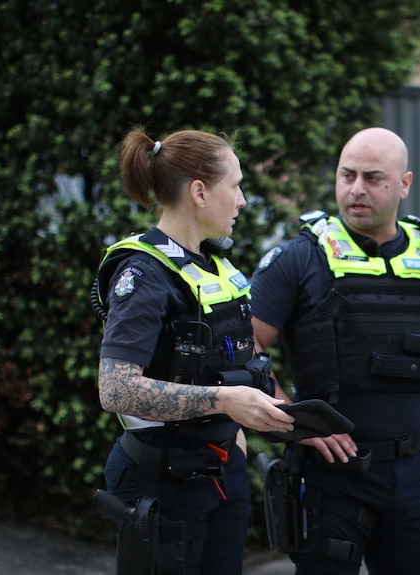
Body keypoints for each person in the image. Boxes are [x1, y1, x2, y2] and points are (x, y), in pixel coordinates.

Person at [250, 127, 420, 575]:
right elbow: (242, 346)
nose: (356, 189)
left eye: (373, 178)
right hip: (331, 476)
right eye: (347, 175)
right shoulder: (300, 258)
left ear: (404, 184)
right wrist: (293, 423)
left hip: (419, 471)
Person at [93, 127, 296, 575]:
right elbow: (116, 389)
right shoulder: (144, 273)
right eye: (236, 186)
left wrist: (238, 434)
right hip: (161, 482)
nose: (243, 200)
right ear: (200, 192)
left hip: (222, 474)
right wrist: (223, 402)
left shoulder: (215, 266)